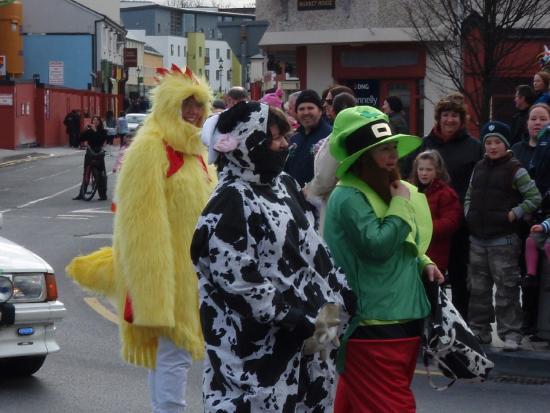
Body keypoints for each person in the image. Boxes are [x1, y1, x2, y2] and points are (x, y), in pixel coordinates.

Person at [66, 65, 216, 413]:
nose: (194, 112)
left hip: (196, 274)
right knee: (174, 355)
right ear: (167, 106)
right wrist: (155, 290)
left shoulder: (197, 152)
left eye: (199, 104)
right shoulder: (152, 148)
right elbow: (140, 225)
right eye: (186, 104)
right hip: (169, 276)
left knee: (170, 356)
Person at [191, 101, 355, 412]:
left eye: (284, 136)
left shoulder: (284, 185)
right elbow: (237, 280)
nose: (284, 144)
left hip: (307, 343)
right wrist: (293, 319)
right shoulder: (230, 200)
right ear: (247, 143)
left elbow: (313, 248)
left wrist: (341, 292)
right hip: (255, 353)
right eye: (274, 138)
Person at [323, 105, 444, 412]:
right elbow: (376, 246)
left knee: (356, 402)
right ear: (363, 156)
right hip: (373, 320)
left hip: (397, 317)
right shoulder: (349, 195)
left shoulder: (386, 190)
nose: (393, 156)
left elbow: (404, 242)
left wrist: (423, 262)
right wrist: (402, 205)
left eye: (392, 147)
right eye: (382, 150)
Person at [402, 93, 483, 320]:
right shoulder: (424, 145)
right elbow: (409, 177)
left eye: (455, 115)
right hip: (425, 223)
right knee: (426, 275)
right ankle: (426, 319)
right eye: (445, 115)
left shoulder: (473, 147)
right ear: (438, 118)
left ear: (462, 119)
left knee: (459, 275)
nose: (450, 120)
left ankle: (459, 320)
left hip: (459, 222)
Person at [465, 121, 541, 351]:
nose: (492, 146)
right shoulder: (478, 167)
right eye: (488, 142)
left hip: (504, 241)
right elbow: (469, 195)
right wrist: (468, 213)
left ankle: (511, 333)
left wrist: (513, 214)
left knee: (507, 289)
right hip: (477, 239)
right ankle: (479, 330)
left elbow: (534, 198)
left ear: (505, 144)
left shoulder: (516, 169)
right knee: (478, 289)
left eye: (497, 142)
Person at [512, 103, 550, 337]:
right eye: (533, 118)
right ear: (526, 123)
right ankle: (527, 322)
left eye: (543, 119)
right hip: (520, 219)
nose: (537, 123)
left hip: (546, 218)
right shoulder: (517, 149)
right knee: (527, 274)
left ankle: (543, 325)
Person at [304, 92, 357, 232]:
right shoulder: (361, 130)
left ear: (332, 109)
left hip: (338, 203)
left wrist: (309, 191)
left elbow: (324, 178)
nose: (325, 104)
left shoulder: (337, 137)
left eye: (328, 101)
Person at [409, 150, 462, 275]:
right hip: (411, 251)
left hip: (435, 253)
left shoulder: (446, 193)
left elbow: (451, 222)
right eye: (421, 169)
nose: (424, 173)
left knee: (430, 291)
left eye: (429, 170)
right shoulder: (408, 190)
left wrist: (422, 228)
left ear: (437, 171)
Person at [284, 89, 332, 186]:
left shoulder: (330, 137)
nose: (306, 112)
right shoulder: (294, 138)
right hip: (293, 197)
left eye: (310, 108)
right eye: (301, 109)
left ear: (320, 111)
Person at [72, 116, 108, 201]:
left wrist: (95, 131)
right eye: (93, 120)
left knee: (101, 174)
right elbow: (79, 139)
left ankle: (102, 195)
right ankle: (82, 194)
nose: (94, 122)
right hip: (90, 153)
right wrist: (84, 130)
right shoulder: (88, 131)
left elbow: (101, 140)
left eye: (96, 120)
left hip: (99, 153)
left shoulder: (103, 131)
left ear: (99, 122)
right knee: (86, 173)